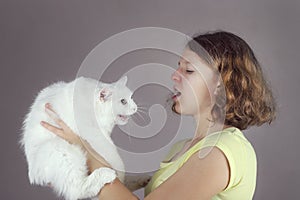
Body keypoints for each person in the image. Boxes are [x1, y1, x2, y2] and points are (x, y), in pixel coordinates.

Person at [41, 31, 276, 200]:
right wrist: (77, 174)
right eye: (178, 66)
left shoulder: (225, 150)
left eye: (189, 70)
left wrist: (86, 149)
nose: (174, 75)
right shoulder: (181, 149)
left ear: (220, 84)